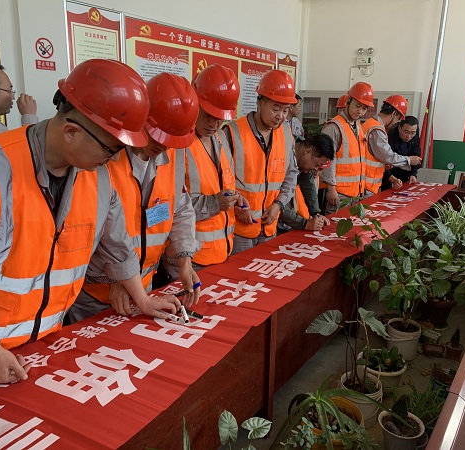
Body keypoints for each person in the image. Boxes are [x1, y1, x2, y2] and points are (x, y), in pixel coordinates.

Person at [0, 59, 182, 383]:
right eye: (110, 149)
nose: (114, 159)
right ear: (71, 131)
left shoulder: (97, 178)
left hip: (44, 344)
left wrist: (142, 298)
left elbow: (118, 246)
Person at [70, 72, 202, 323]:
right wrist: (115, 280)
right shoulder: (104, 155)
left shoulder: (172, 155)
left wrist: (184, 261)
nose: (163, 147)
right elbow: (87, 228)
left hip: (146, 290)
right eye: (157, 135)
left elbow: (181, 209)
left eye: (171, 140)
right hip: (98, 294)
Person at [223, 69, 299, 253]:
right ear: (260, 103)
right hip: (239, 229)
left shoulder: (286, 133)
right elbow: (219, 180)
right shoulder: (232, 133)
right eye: (275, 109)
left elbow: (291, 174)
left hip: (269, 225)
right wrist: (236, 204)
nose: (280, 116)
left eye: (285, 110)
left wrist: (278, 204)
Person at [183, 64, 248, 270]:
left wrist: (235, 197)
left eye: (219, 118)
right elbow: (169, 208)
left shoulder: (220, 137)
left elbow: (222, 183)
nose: (213, 124)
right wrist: (214, 203)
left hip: (223, 250)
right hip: (191, 259)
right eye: (208, 115)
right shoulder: (177, 145)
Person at [319, 82, 374, 214]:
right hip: (339, 193)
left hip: (355, 192)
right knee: (335, 225)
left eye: (364, 108)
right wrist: (331, 189)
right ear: (348, 102)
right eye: (357, 106)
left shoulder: (357, 125)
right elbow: (327, 160)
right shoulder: (334, 127)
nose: (360, 111)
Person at [361, 95, 422, 196]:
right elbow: (387, 156)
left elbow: (372, 155)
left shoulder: (370, 123)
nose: (396, 122)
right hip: (366, 182)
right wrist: (408, 160)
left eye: (412, 133)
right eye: (398, 119)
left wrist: (384, 164)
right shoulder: (376, 129)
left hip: (365, 181)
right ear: (393, 113)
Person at [278, 134, 335, 231]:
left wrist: (316, 214)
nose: (316, 169)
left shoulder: (302, 161)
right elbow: (279, 202)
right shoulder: (282, 154)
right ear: (308, 151)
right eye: (316, 164)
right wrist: (305, 224)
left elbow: (308, 183)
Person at [381, 115, 421, 190]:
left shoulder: (415, 134)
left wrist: (413, 174)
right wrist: (392, 178)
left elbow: (416, 157)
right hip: (388, 173)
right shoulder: (390, 135)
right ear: (399, 128)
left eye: (412, 133)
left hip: (405, 172)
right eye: (406, 132)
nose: (409, 136)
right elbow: (383, 161)